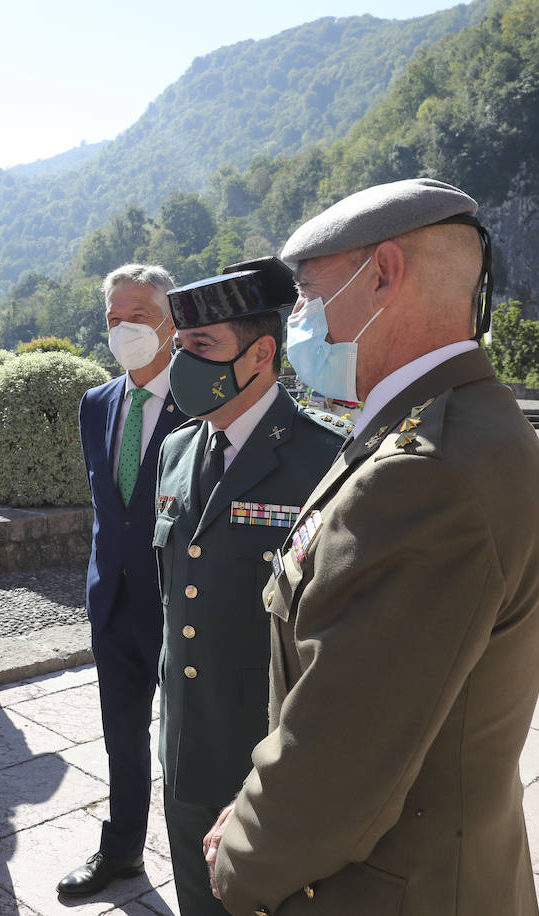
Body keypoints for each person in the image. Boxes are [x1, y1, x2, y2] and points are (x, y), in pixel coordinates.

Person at [207, 179, 539, 915]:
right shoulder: (456, 423)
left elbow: (339, 762)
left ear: (384, 275)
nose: (299, 316)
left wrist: (242, 858)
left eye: (307, 291)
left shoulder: (422, 475)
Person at [151, 259, 345, 915]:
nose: (183, 364)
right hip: (183, 742)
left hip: (262, 752)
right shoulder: (179, 449)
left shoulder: (324, 460)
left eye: (201, 347)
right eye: (180, 348)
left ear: (262, 353)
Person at [57, 264, 185, 898]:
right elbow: (111, 506)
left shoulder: (206, 398)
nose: (124, 328)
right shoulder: (99, 403)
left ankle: (212, 859)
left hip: (186, 602)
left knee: (198, 741)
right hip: (113, 599)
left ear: (171, 320)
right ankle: (123, 850)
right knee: (122, 737)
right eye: (113, 318)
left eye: (138, 315)